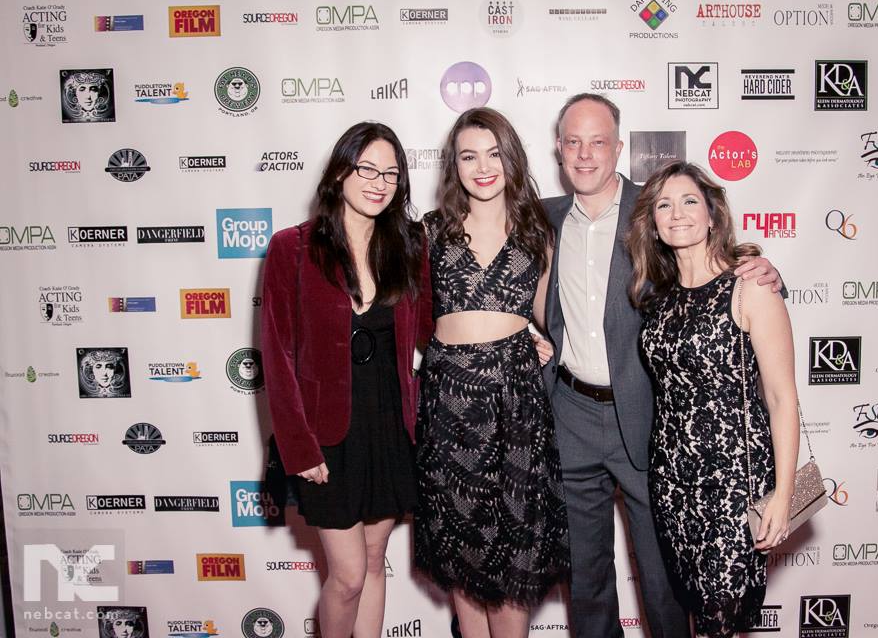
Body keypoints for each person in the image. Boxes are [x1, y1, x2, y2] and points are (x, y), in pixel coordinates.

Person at [540, 93, 782, 638]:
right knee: (586, 578)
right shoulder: (546, 218)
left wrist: (763, 268)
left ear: (618, 148)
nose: (585, 155)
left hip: (651, 421)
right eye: (573, 142)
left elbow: (709, 266)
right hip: (571, 412)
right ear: (558, 150)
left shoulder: (652, 214)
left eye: (598, 141)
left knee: (664, 578)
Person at [261, 121, 432, 638]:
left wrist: (518, 333)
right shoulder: (293, 248)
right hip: (327, 437)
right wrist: (300, 447)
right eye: (367, 169)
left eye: (392, 173)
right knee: (349, 575)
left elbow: (434, 327)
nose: (380, 183)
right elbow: (277, 353)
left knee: (376, 560)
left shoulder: (408, 245)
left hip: (390, 425)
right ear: (341, 171)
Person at [626, 160, 800, 638]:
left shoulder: (750, 288)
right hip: (671, 478)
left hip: (733, 482)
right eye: (664, 204)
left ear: (712, 215)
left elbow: (783, 398)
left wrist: (782, 495)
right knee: (692, 610)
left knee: (721, 618)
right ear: (653, 223)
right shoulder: (657, 296)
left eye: (689, 201)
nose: (677, 213)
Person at [415, 107, 569, 638]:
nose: (483, 167)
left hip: (517, 407)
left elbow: (555, 317)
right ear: (453, 165)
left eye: (494, 153)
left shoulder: (539, 232)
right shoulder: (429, 233)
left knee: (514, 561)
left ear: (512, 158)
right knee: (463, 559)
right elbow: (402, 313)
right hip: (448, 406)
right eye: (468, 155)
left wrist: (534, 336)